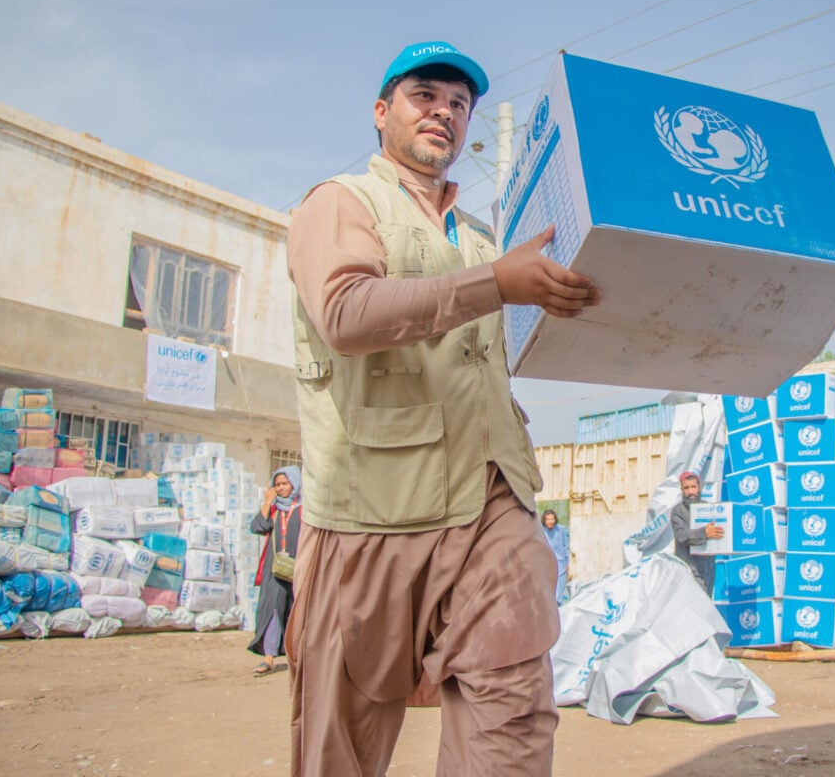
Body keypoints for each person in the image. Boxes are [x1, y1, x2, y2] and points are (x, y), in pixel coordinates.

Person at [283, 40, 601, 777]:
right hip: (373, 508)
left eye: (459, 104)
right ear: (381, 111)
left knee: (513, 706)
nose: (445, 112)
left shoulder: (484, 238)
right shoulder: (341, 202)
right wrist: (497, 283)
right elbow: (345, 313)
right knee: (341, 738)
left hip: (492, 496)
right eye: (425, 95)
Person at [248, 466, 303, 676]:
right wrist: (267, 502)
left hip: (300, 565)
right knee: (272, 609)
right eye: (277, 484)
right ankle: (269, 657)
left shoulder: (304, 509)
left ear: (294, 483)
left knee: (298, 610)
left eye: (285, 484)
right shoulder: (274, 510)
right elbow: (257, 527)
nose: (281, 488)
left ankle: (300, 657)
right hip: (275, 567)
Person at [670, 470, 723, 592]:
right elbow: (681, 536)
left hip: (708, 571)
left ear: (699, 487)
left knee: (706, 602)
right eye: (686, 488)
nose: (690, 492)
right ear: (682, 490)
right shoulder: (678, 511)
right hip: (688, 571)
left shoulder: (708, 508)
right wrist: (704, 533)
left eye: (693, 487)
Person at [540, 510, 570, 604]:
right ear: (544, 520)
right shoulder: (540, 531)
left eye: (552, 519)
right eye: (548, 519)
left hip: (560, 562)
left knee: (560, 584)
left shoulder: (561, 530)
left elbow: (566, 547)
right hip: (545, 561)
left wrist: (568, 562)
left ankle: (558, 603)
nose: (550, 521)